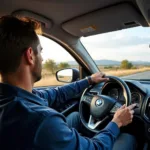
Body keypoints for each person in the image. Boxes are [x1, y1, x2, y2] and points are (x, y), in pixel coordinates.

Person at [0, 15, 136, 150]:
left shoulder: (14, 98)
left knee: (75, 117)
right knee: (128, 139)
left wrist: (89, 80)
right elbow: (96, 147)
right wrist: (116, 122)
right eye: (40, 52)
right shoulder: (43, 121)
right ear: (30, 55)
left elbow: (57, 94)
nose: (42, 59)